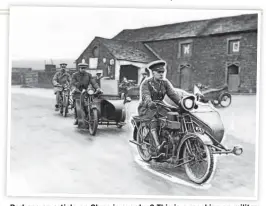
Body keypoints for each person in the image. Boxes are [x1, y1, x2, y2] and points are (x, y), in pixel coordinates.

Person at [138, 60, 181, 157]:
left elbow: (173, 95)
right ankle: (156, 147)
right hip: (147, 107)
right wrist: (149, 102)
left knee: (173, 117)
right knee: (154, 120)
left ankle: (170, 140)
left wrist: (181, 103)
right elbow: (146, 96)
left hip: (161, 106)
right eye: (159, 72)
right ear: (153, 72)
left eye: (163, 72)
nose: (161, 74)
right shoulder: (147, 83)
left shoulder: (165, 83)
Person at [71, 60, 103, 125]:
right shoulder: (75, 75)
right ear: (79, 68)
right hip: (77, 92)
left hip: (86, 91)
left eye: (84, 68)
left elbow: (94, 82)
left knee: (90, 102)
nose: (83, 69)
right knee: (77, 105)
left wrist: (98, 88)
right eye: (82, 68)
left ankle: (91, 115)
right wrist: (74, 89)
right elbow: (72, 84)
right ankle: (77, 118)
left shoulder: (88, 75)